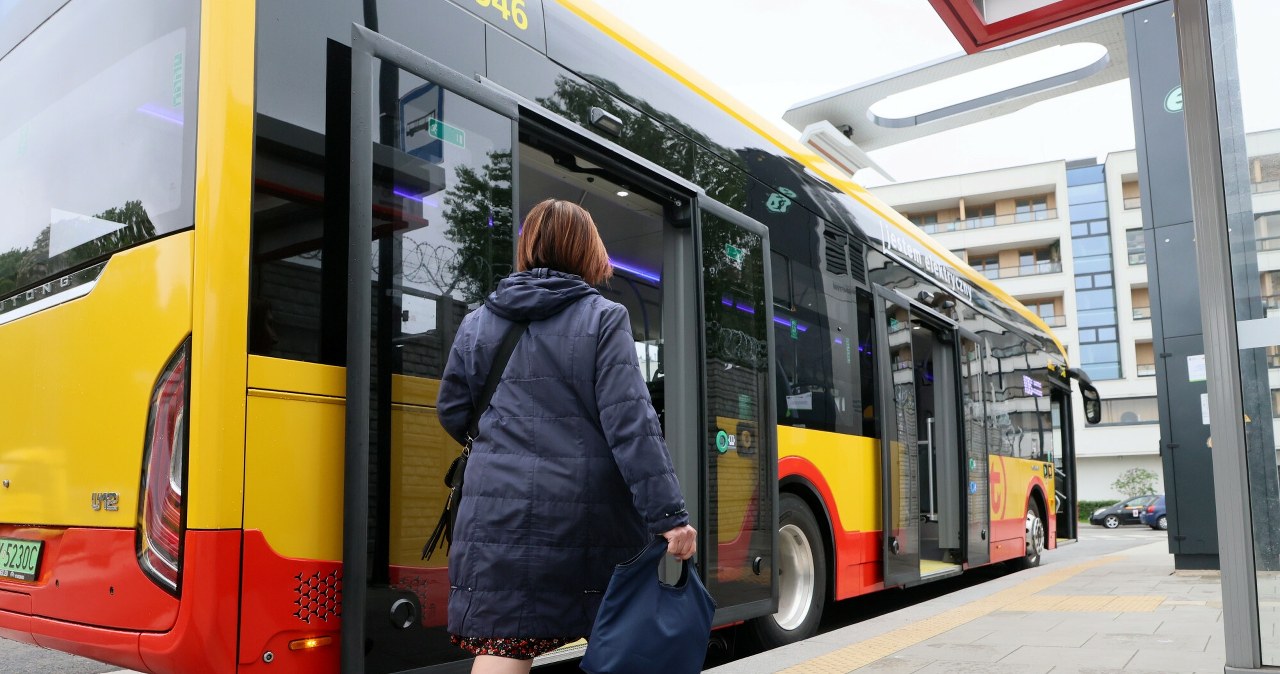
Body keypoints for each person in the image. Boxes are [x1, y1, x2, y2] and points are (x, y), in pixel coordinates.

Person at [436, 198, 697, 674]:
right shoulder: (603, 318)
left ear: (528, 246)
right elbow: (631, 424)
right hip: (586, 519)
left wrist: (504, 442)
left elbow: (453, 412)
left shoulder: (477, 322)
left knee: (504, 646)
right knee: (614, 640)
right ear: (587, 252)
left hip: (498, 516)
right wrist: (669, 516)